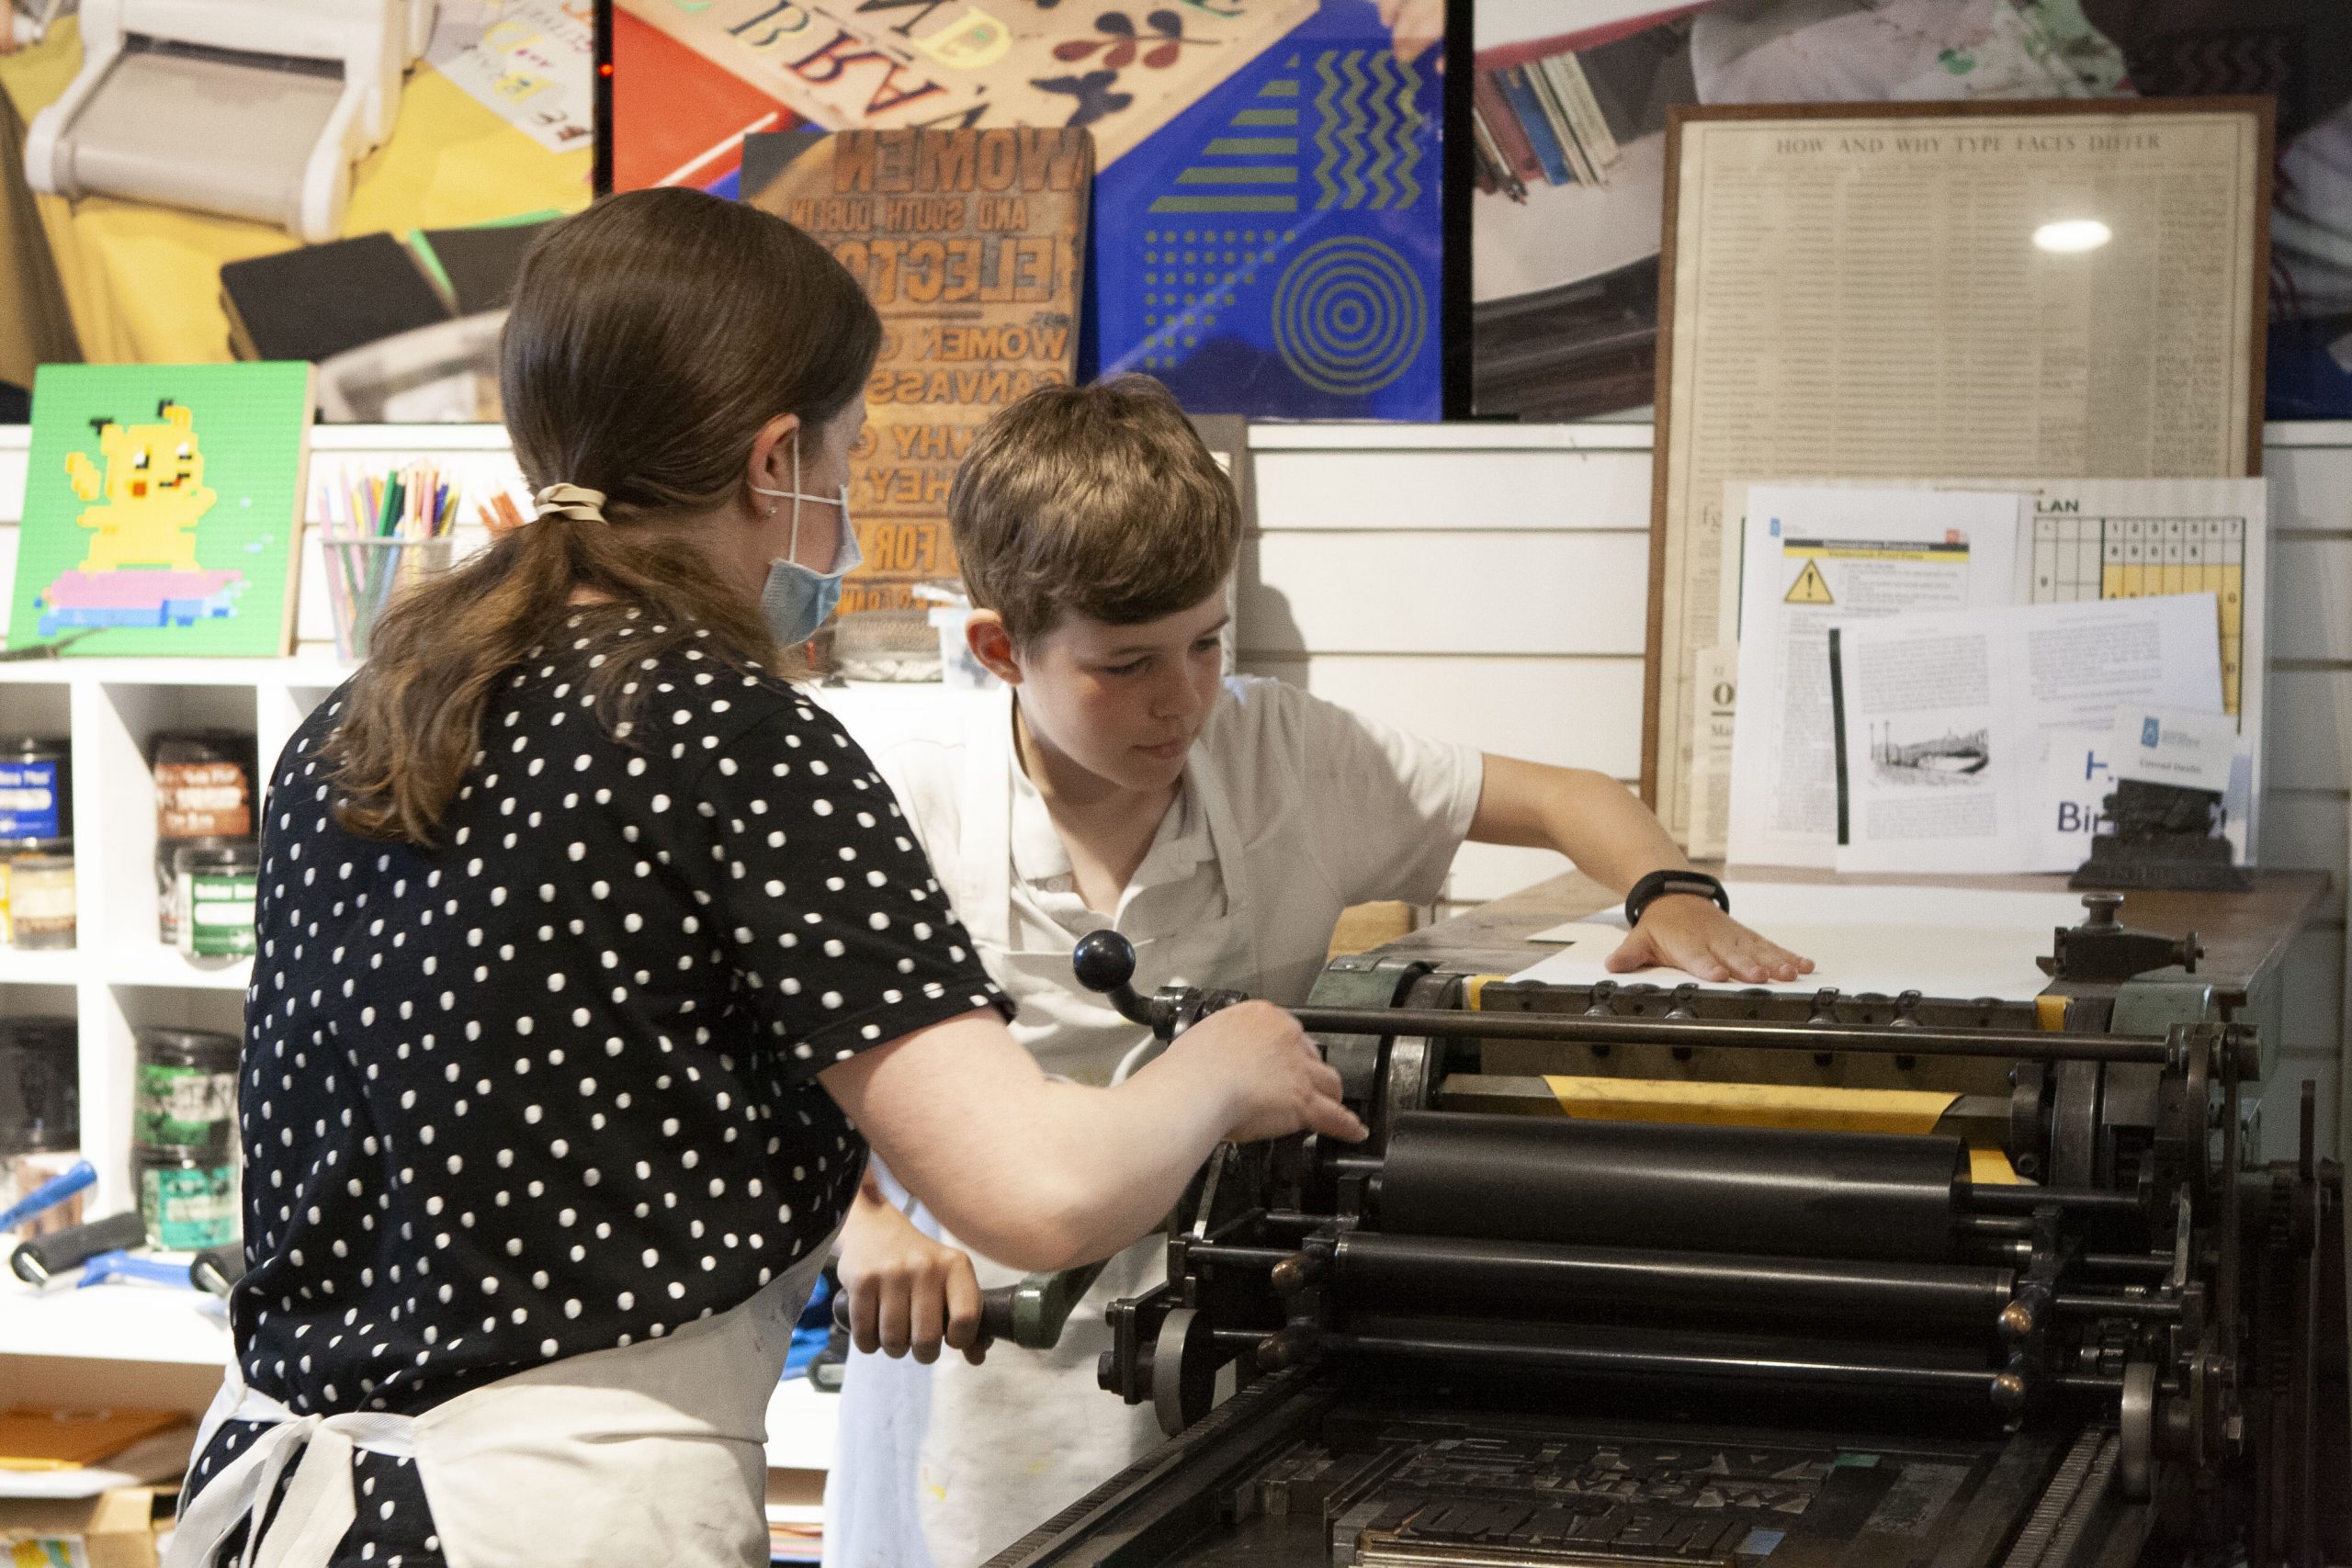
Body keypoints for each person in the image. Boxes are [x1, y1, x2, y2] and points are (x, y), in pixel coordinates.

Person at [163, 191, 1362, 1568]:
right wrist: (1225, 1064)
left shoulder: (372, 712)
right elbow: (1030, 1187)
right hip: (551, 1518)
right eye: (845, 455)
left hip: (286, 1498)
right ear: (775, 458)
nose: (841, 508)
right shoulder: (731, 733)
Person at [824, 377, 1813, 1568]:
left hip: (1242, 1362)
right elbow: (743, 1061)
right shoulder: (898, 797)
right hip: (975, 1375)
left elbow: (1572, 797)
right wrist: (857, 1222)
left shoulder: (1288, 755)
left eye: (1207, 643)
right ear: (1000, 650)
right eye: (1126, 665)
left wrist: (1672, 894)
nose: (1183, 699)